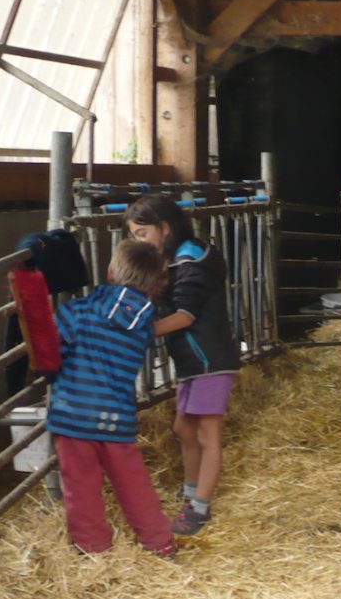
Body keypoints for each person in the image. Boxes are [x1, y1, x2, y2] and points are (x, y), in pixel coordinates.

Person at [46, 239, 176, 558]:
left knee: (81, 486)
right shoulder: (143, 325)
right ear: (155, 285)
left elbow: (51, 353)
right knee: (134, 484)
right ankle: (160, 544)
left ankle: (94, 550)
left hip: (73, 416)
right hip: (117, 419)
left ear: (110, 273)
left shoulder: (77, 311)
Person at [125, 195, 241, 536]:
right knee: (183, 429)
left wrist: (142, 333)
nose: (138, 242)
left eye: (142, 234)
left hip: (209, 360)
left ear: (164, 228)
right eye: (134, 235)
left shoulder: (190, 260)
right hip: (193, 361)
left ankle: (200, 508)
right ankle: (192, 489)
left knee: (207, 433)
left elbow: (185, 315)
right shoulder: (177, 258)